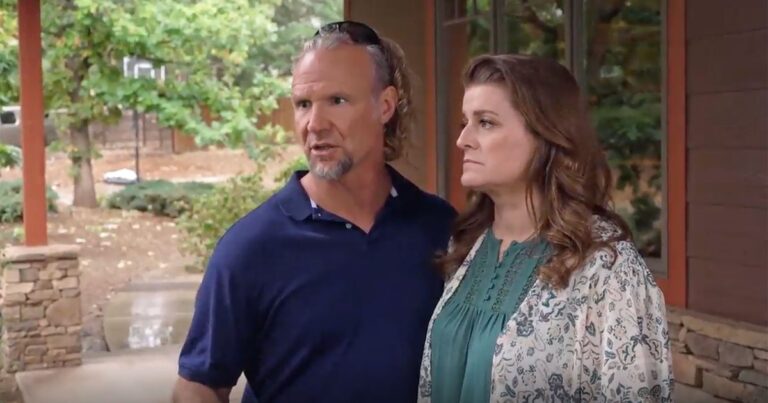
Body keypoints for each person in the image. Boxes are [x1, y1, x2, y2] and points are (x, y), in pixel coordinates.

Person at [172, 21, 456, 403]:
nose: (314, 125)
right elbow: (197, 387)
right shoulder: (251, 247)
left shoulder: (439, 228)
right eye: (303, 104)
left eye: (337, 101)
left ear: (385, 106)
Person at [417, 54, 673, 402]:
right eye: (465, 122)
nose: (463, 139)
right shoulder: (465, 246)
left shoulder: (607, 266)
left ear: (545, 135)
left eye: (486, 122)